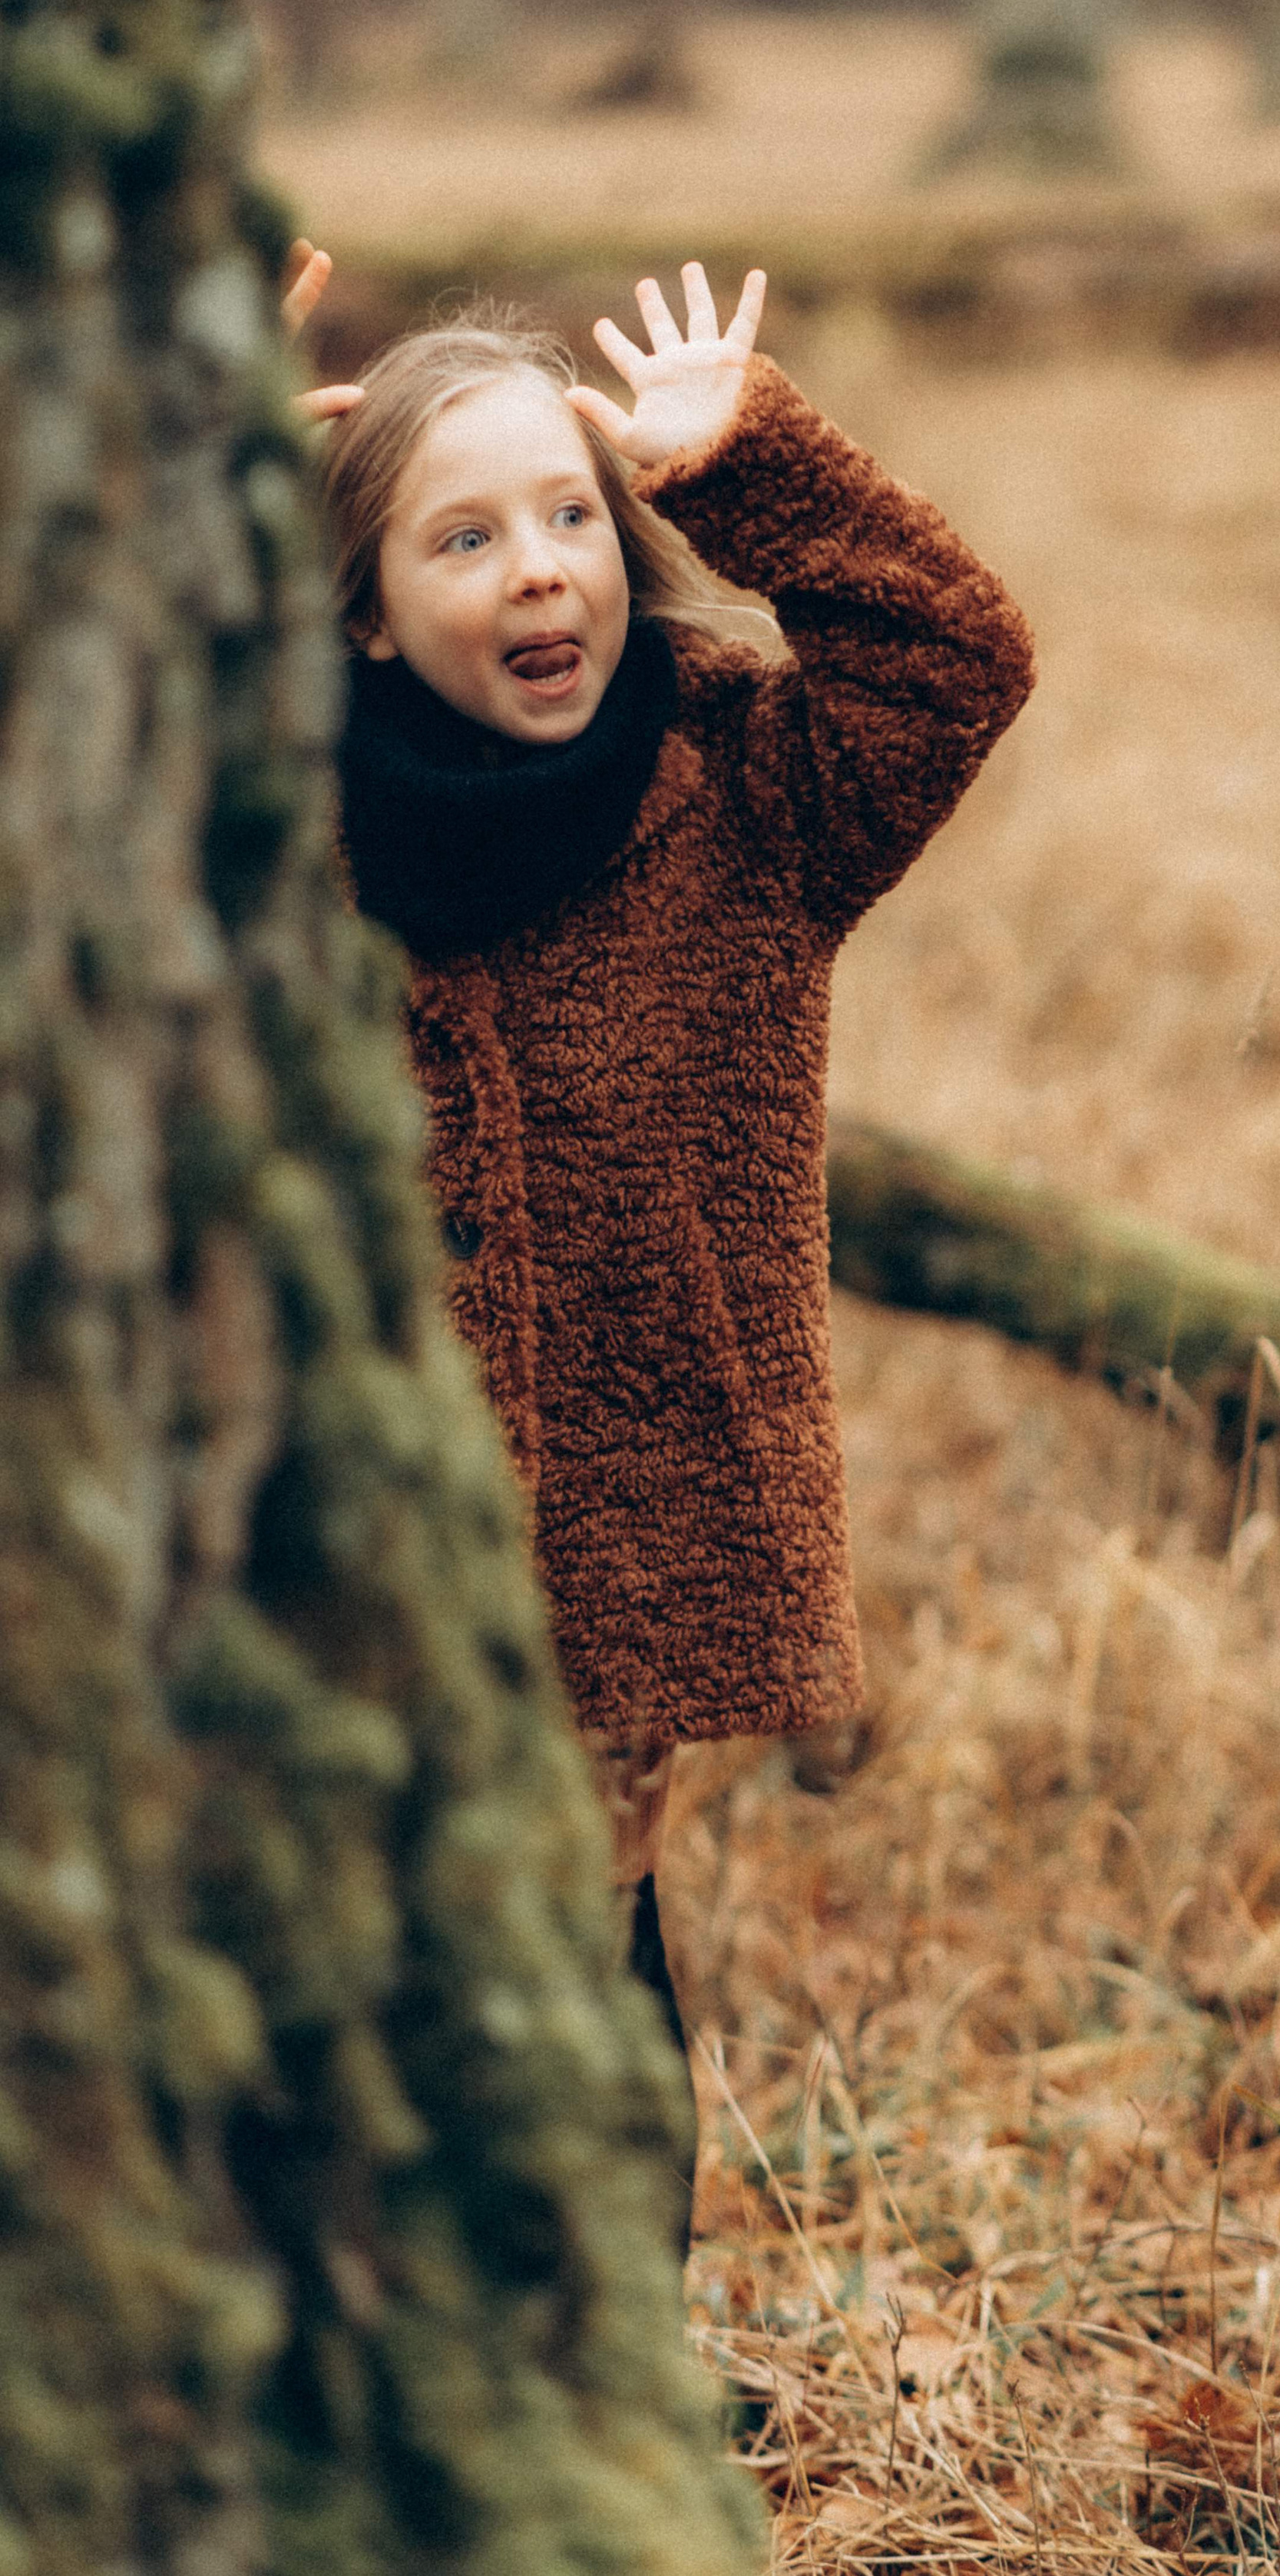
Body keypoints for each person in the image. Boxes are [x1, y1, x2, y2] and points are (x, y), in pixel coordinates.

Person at [289, 244, 1035, 2242]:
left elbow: (954, 659)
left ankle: (599, 2380)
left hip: (632, 1509)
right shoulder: (265, 835)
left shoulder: (749, 796)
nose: (539, 569)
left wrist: (750, 467)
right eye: (465, 537)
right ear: (361, 614)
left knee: (577, 1932)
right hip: (335, 1518)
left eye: (570, 517)